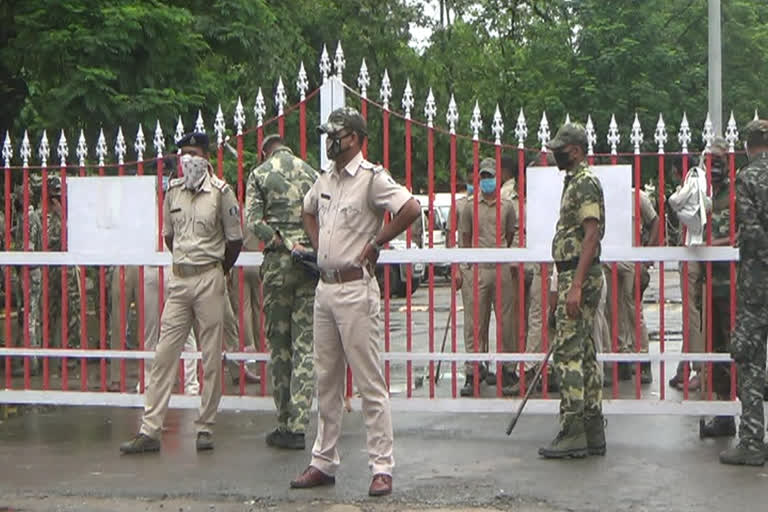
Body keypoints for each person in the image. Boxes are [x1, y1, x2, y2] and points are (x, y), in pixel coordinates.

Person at [290, 107, 420, 497]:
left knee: (368, 382)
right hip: (326, 288)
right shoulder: (325, 178)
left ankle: (382, 466)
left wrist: (376, 241)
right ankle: (323, 461)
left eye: (338, 134)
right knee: (326, 379)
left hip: (354, 288)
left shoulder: (370, 179)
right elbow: (308, 211)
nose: (331, 141)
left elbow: (410, 208)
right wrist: (317, 246)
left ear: (355, 138)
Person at [119, 131, 243, 454]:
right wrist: (185, 263)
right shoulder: (173, 192)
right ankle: (150, 429)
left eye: (192, 153)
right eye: (182, 153)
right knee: (163, 356)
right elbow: (170, 238)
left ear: (205, 156)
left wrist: (219, 269)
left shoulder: (221, 193)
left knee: (211, 357)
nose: (186, 159)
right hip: (179, 281)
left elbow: (235, 241)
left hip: (209, 278)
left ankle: (205, 426)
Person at [245, 134, 318, 450]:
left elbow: (252, 221)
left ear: (265, 151)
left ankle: (284, 421)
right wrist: (307, 245)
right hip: (308, 265)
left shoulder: (260, 174)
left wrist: (279, 239)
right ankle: (300, 425)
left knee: (279, 345)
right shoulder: (311, 173)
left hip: (277, 265)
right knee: (305, 344)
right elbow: (322, 215)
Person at [539, 123, 605, 459]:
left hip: (578, 275)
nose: (555, 154)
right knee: (586, 352)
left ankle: (574, 428)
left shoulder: (585, 183)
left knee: (567, 353)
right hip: (576, 273)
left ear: (575, 150)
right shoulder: (576, 182)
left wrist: (575, 285)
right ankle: (593, 427)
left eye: (560, 149)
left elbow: (591, 235)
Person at [719, 119, 768, 466]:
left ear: (749, 145)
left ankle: (752, 440)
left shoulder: (749, 177)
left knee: (750, 358)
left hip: (757, 282)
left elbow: (750, 231)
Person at [456, 157, 518, 397]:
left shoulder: (507, 205)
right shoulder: (470, 207)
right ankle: (473, 370)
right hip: (478, 268)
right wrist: (463, 269)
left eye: (490, 176)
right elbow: (465, 238)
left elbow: (510, 233)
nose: (486, 181)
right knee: (475, 322)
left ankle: (507, 369)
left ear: (497, 177)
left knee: (506, 322)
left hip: (501, 266)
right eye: (483, 176)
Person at [698, 140, 737, 438]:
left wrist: (715, 247)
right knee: (715, 350)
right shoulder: (703, 195)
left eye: (719, 160)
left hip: (733, 286)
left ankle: (745, 415)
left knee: (737, 351)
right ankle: (725, 416)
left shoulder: (737, 194)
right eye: (709, 161)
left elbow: (742, 235)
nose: (714, 167)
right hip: (709, 284)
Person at [603, 188, 658, 384]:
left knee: (634, 309)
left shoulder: (638, 196)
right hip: (609, 259)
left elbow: (655, 222)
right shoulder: (604, 189)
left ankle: (643, 359)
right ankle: (621, 358)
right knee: (613, 310)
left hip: (633, 259)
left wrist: (646, 257)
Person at [11, 176, 43, 376]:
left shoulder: (30, 219)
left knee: (30, 315)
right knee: (30, 314)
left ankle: (32, 362)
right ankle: (32, 356)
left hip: (30, 271)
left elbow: (29, 248)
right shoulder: (26, 218)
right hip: (29, 271)